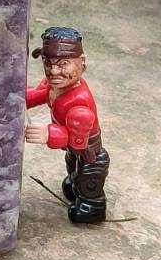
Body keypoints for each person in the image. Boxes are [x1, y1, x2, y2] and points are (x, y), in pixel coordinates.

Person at [25, 26, 109, 224]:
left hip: (89, 152)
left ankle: (91, 207)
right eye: (48, 63)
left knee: (88, 180)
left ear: (81, 63)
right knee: (72, 168)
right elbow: (38, 94)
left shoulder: (79, 103)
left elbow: (77, 141)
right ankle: (74, 184)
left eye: (63, 64)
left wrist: (48, 133)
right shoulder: (54, 85)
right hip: (74, 151)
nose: (54, 71)